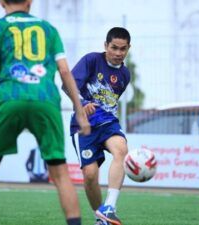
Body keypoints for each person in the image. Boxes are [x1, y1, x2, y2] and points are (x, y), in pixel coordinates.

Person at [0, 1, 90, 225]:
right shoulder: (49, 30)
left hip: (9, 99)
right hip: (45, 100)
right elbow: (65, 70)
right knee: (60, 174)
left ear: (1, 1)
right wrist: (80, 112)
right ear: (29, 1)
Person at [67, 27, 131, 225]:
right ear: (106, 46)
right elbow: (69, 85)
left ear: (128, 48)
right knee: (90, 175)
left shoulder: (125, 75)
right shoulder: (92, 60)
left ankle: (110, 207)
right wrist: (83, 104)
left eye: (123, 49)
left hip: (108, 123)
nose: (119, 53)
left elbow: (111, 102)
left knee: (122, 150)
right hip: (84, 124)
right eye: (114, 48)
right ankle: (100, 216)